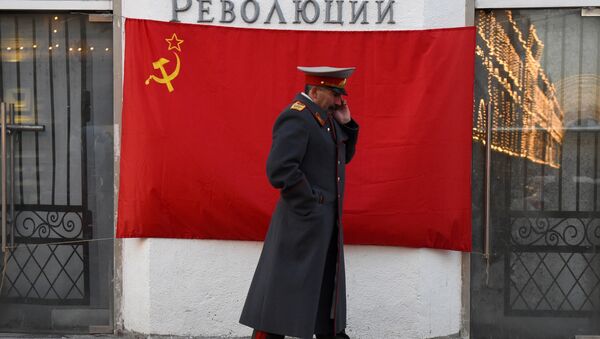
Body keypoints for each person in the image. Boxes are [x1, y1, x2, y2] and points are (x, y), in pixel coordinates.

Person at [239, 66, 359, 339]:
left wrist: (346, 123)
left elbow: (340, 158)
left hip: (323, 223)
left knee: (325, 290)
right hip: (301, 224)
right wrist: (311, 202)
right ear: (315, 91)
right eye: (335, 94)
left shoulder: (324, 118)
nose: (340, 100)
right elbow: (280, 170)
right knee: (281, 296)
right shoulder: (296, 118)